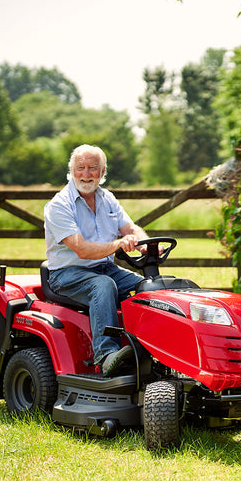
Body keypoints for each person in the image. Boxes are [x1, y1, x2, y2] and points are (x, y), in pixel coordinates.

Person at [44, 144, 147, 377]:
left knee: (147, 287)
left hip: (104, 267)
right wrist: (119, 244)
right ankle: (106, 355)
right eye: (81, 167)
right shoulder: (59, 205)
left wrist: (147, 243)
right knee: (102, 285)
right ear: (71, 171)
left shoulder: (107, 198)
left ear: (102, 172)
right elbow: (81, 249)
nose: (86, 174)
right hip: (67, 274)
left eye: (93, 168)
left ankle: (152, 349)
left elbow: (130, 227)